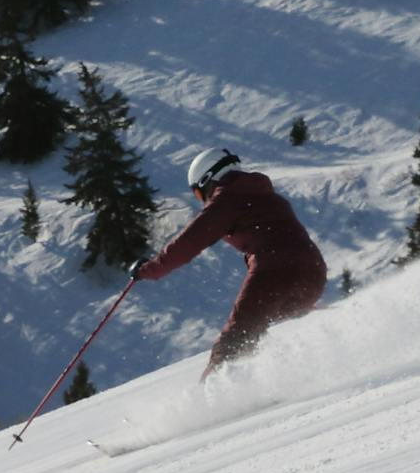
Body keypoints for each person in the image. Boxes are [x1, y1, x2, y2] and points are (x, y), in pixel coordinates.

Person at [135, 147, 326, 374]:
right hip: (314, 272)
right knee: (271, 324)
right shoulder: (267, 195)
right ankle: (295, 372)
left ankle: (213, 399)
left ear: (207, 179)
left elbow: (189, 242)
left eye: (198, 193)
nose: (202, 199)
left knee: (237, 336)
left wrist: (150, 269)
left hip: (274, 272)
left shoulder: (227, 198)